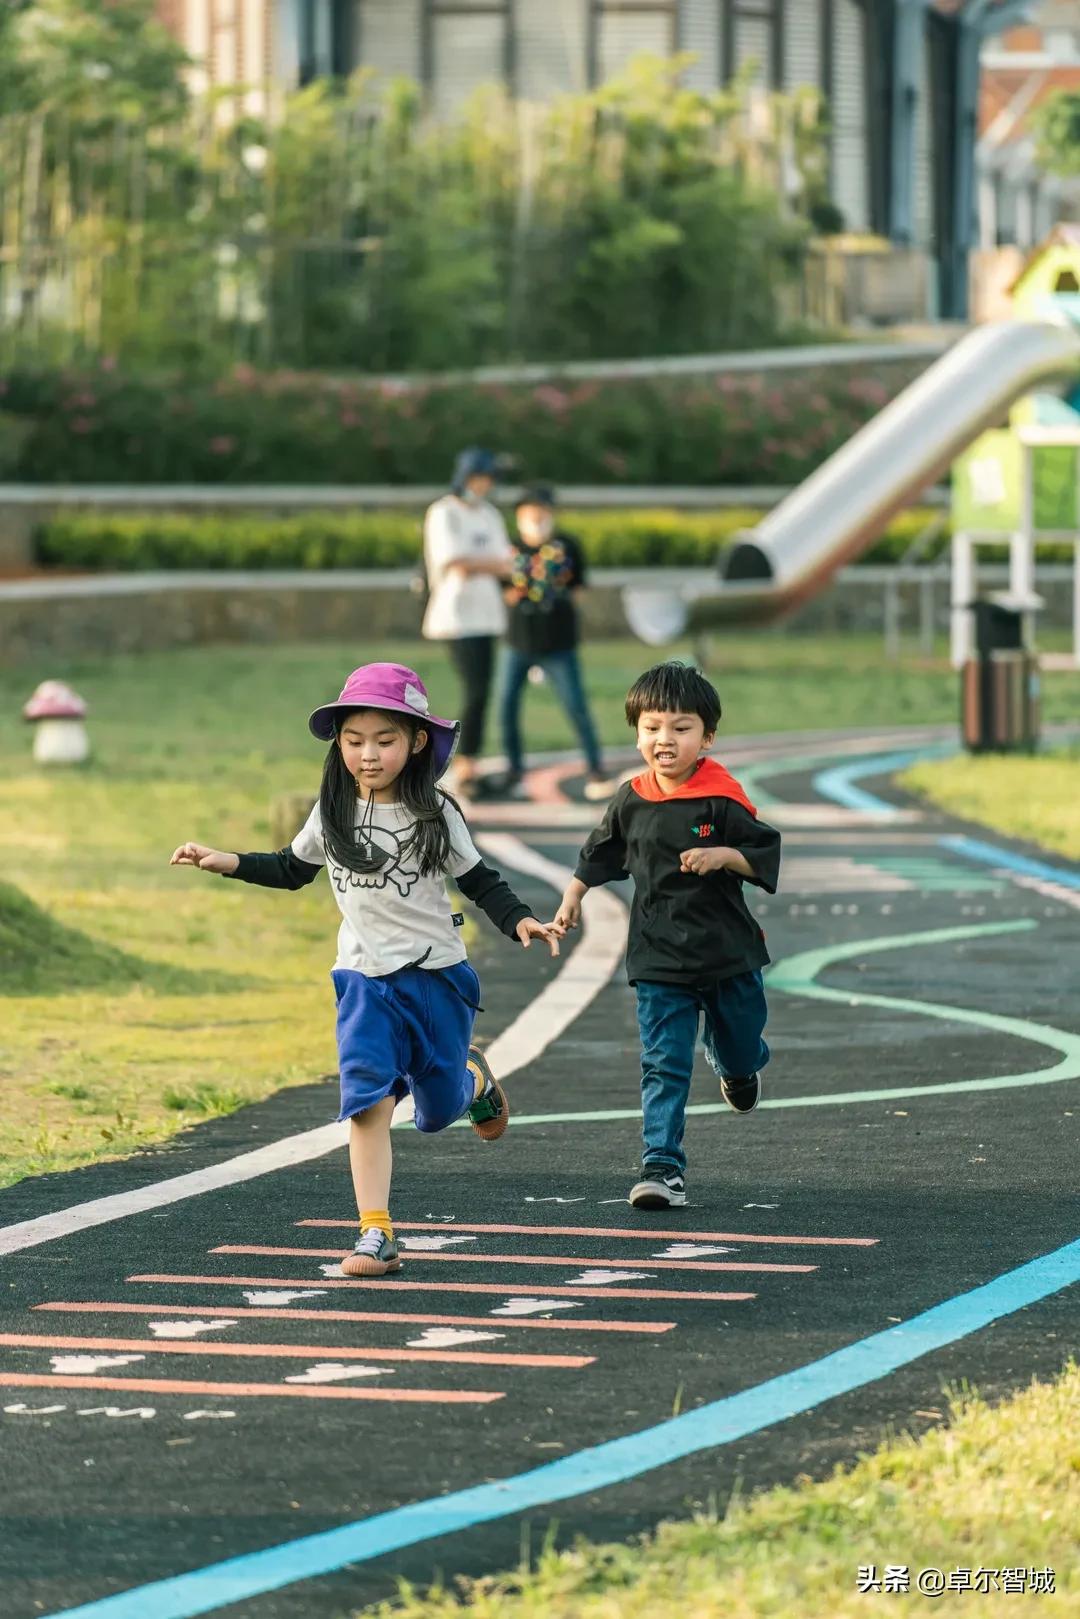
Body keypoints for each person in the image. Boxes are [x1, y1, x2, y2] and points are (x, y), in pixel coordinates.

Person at [170, 661, 561, 1278]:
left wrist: (520, 922)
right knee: (367, 1103)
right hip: (361, 980)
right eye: (353, 741)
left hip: (435, 978)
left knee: (436, 1114)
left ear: (417, 741)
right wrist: (225, 860)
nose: (368, 755)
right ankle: (376, 1232)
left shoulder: (436, 812)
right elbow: (291, 869)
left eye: (383, 741)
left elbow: (480, 880)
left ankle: (472, 1079)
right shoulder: (332, 812)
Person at [552, 661, 781, 1211]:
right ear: (637, 735)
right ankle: (661, 1166)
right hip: (658, 958)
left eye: (681, 728)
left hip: (727, 954)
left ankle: (738, 1067)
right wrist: (573, 896)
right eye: (652, 727)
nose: (665, 740)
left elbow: (762, 852)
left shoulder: (722, 798)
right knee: (663, 1062)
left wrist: (724, 855)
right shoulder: (631, 799)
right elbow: (599, 853)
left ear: (707, 737)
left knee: (741, 1043)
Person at [498, 484, 614, 802]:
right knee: (506, 705)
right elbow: (501, 587)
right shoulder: (509, 547)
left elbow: (579, 588)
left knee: (575, 705)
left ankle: (595, 767)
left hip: (559, 643)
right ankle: (514, 769)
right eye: (529, 511)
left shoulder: (568, 546)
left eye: (541, 511)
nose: (536, 517)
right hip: (518, 641)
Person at [421, 447, 513, 797]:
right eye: (479, 478)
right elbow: (455, 561)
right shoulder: (444, 512)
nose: (483, 485)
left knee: (483, 691)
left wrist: (487, 565)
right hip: (457, 615)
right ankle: (462, 766)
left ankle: (470, 764)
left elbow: (506, 562)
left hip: (487, 615)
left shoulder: (489, 514)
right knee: (474, 690)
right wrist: (491, 565)